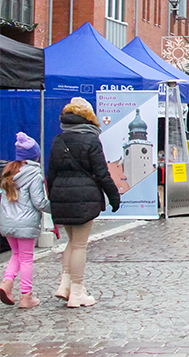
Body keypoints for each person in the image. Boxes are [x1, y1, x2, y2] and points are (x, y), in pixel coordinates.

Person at [47, 97, 121, 308]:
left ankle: (65, 284)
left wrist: (55, 197)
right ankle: (77, 292)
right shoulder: (91, 140)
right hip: (84, 197)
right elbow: (101, 173)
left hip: (61, 196)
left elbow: (50, 173)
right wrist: (114, 196)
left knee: (71, 242)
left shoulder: (59, 140)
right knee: (80, 245)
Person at [0, 133, 50, 308]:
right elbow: (39, 202)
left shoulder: (8, 172)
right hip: (25, 224)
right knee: (27, 258)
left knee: (16, 254)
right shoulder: (34, 174)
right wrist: (55, 208)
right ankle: (26, 296)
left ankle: (6, 283)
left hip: (7, 222)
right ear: (35, 156)